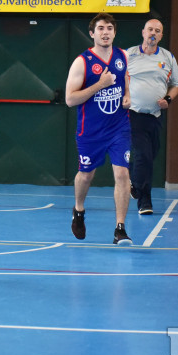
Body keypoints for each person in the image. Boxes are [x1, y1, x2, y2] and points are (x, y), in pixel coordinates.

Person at [65, 12, 133, 246]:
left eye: (110, 28)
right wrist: (100, 85)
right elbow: (70, 99)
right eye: (101, 28)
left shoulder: (121, 55)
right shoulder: (82, 62)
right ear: (92, 33)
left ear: (115, 32)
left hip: (118, 127)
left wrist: (127, 94)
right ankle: (79, 210)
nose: (106, 32)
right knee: (86, 175)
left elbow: (125, 77)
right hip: (90, 131)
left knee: (123, 174)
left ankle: (120, 229)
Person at [127, 19, 178, 215]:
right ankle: (145, 201)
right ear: (143, 32)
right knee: (143, 155)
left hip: (155, 116)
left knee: (150, 156)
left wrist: (168, 99)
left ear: (161, 36)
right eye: (150, 29)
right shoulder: (129, 55)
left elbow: (176, 85)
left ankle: (133, 182)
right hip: (132, 114)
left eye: (157, 31)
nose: (153, 33)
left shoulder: (167, 57)